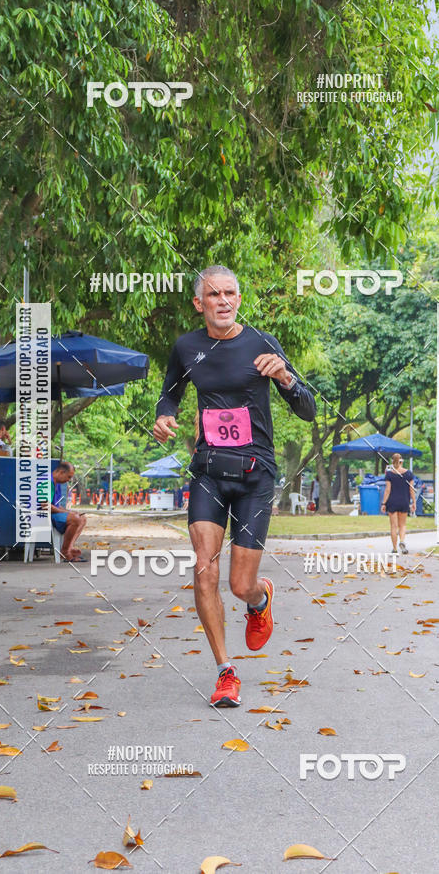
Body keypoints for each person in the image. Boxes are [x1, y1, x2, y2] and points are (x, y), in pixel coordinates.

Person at [154, 264, 316, 708]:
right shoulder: (186, 348)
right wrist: (163, 415)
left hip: (255, 473)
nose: (223, 301)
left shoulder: (261, 343)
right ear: (198, 303)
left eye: (230, 293)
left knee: (238, 584)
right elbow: (170, 393)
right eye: (213, 295)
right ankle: (226, 670)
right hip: (208, 470)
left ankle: (259, 598)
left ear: (238, 299)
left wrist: (284, 376)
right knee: (203, 568)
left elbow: (307, 408)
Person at [49, 462, 87, 562]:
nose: (69, 480)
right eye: (68, 477)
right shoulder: (47, 481)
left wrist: (70, 512)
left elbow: (57, 505)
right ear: (61, 472)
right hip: (43, 516)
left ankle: (69, 548)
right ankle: (65, 552)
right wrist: (69, 514)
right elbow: (46, 506)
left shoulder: (56, 483)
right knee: (75, 520)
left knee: (82, 518)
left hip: (53, 513)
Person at [380, 452, 415, 554]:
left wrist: (383, 503)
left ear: (392, 461)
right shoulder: (409, 474)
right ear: (401, 461)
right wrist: (413, 502)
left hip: (392, 502)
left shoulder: (389, 474)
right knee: (402, 525)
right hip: (404, 501)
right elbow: (411, 489)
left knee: (393, 526)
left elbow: (387, 490)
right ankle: (402, 541)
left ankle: (394, 549)